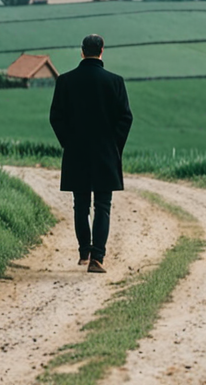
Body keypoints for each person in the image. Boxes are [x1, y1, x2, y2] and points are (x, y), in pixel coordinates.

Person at [48, 33, 133, 273]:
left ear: (82, 51)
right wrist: (114, 146)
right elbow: (125, 118)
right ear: (102, 51)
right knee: (103, 206)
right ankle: (97, 258)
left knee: (80, 205)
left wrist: (68, 142)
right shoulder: (115, 82)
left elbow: (56, 117)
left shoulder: (65, 81)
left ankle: (84, 250)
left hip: (76, 152)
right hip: (106, 153)